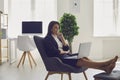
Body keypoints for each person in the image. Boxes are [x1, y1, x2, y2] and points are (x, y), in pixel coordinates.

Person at [44, 21, 118, 74]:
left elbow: (67, 49)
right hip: (60, 59)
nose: (57, 29)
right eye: (55, 28)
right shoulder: (48, 39)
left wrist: (62, 38)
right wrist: (63, 52)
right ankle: (105, 63)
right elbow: (52, 52)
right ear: (51, 28)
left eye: (58, 28)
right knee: (81, 60)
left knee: (83, 57)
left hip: (66, 55)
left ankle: (105, 68)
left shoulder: (58, 38)